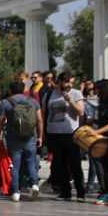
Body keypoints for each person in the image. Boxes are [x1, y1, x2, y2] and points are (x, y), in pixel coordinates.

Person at [42, 73, 86, 201]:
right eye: (67, 82)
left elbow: (81, 112)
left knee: (75, 164)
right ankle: (65, 192)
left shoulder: (76, 93)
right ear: (59, 81)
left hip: (71, 134)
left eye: (72, 82)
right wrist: (43, 133)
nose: (70, 85)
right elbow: (44, 113)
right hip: (53, 135)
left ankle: (80, 192)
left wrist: (70, 101)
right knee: (59, 165)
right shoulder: (49, 94)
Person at [0, 81, 43, 202]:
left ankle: (16, 192)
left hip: (13, 138)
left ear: (10, 90)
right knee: (31, 162)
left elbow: (0, 122)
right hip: (30, 137)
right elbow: (40, 120)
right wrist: (40, 136)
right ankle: (34, 185)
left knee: (15, 166)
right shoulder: (33, 101)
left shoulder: (6, 102)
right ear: (23, 90)